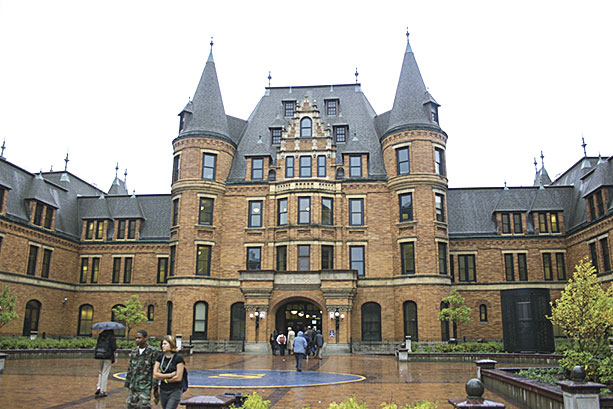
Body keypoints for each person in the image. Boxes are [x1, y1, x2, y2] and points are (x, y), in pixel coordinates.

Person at [125, 330, 159, 409]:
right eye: (136, 338)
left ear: (145, 338)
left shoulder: (152, 351)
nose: (137, 340)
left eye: (139, 338)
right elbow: (130, 368)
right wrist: (127, 383)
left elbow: (155, 370)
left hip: (145, 385)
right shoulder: (134, 351)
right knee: (130, 405)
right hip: (134, 385)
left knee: (144, 405)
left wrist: (155, 387)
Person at [154, 335, 185, 409]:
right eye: (162, 344)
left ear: (171, 344)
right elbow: (155, 375)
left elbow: (178, 377)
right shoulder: (160, 357)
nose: (163, 346)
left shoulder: (178, 358)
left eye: (165, 344)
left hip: (175, 390)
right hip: (163, 389)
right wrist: (170, 375)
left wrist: (162, 377)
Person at [94, 329, 117, 398]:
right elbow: (114, 347)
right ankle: (103, 390)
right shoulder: (111, 337)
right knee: (105, 373)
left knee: (100, 372)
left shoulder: (101, 335)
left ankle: (98, 387)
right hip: (108, 356)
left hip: (99, 355)